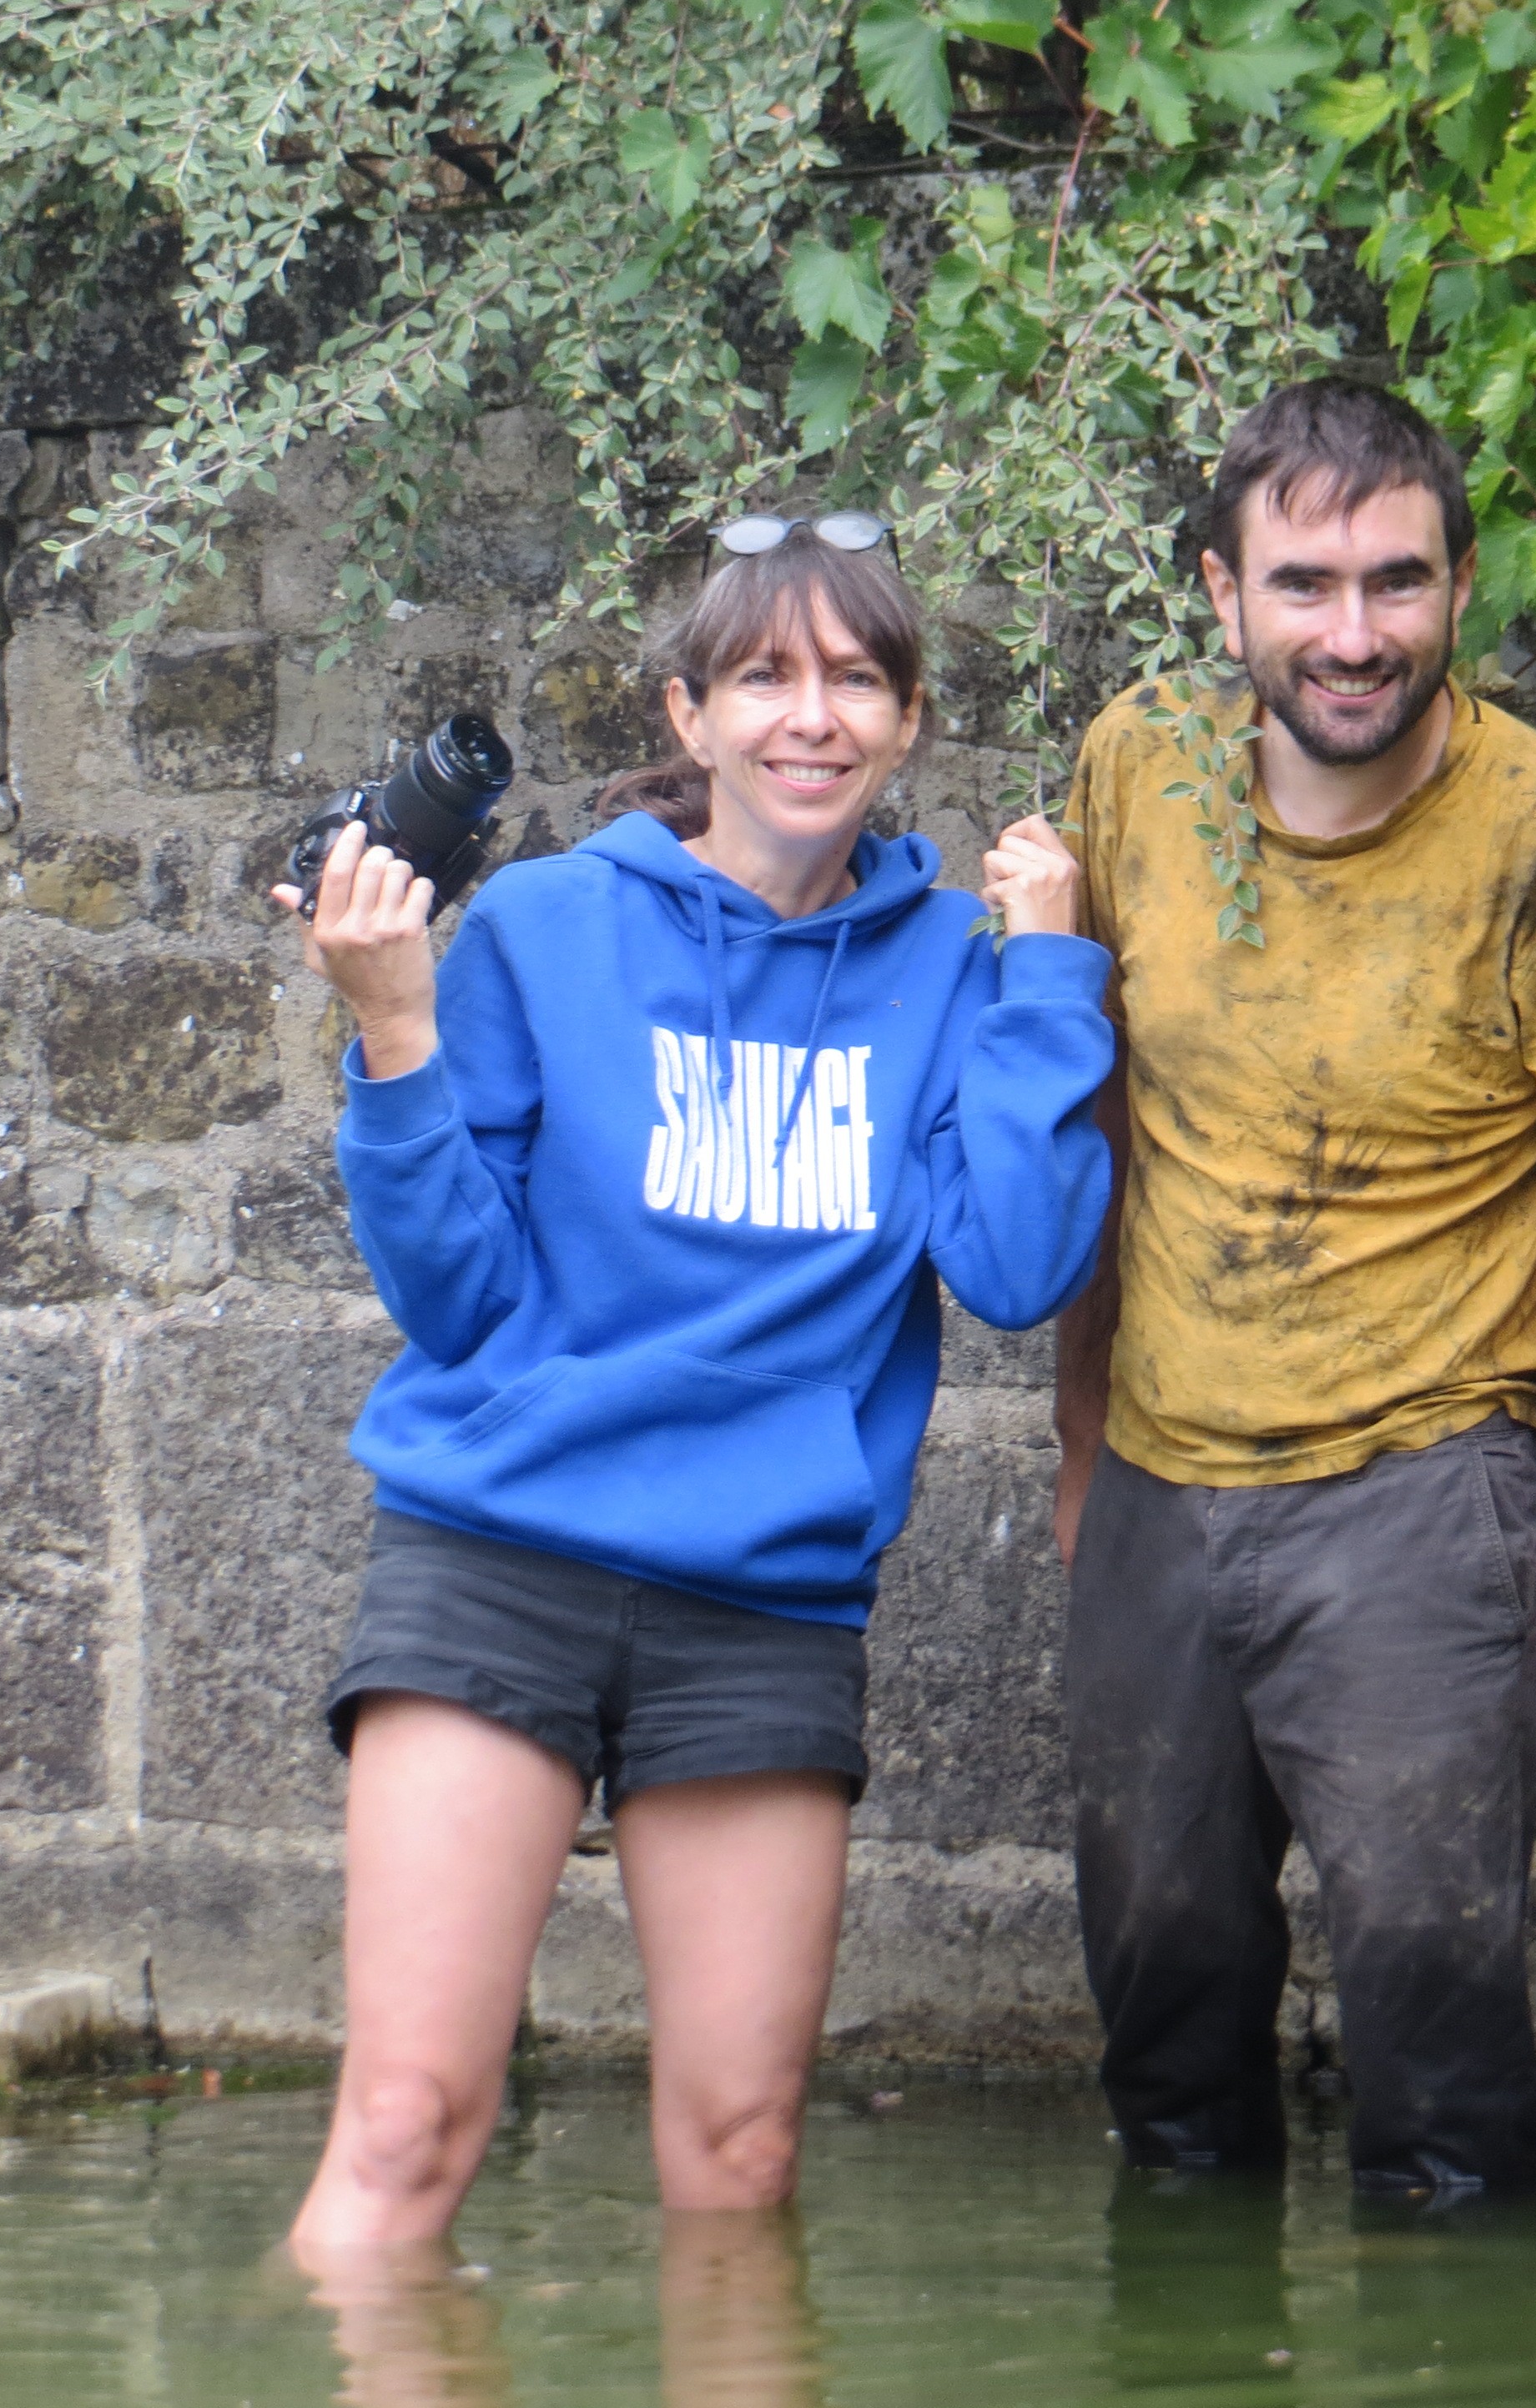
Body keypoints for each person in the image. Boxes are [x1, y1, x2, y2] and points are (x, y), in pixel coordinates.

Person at [278, 514, 1114, 2248]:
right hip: (497, 1560)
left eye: (854, 680)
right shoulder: (538, 930)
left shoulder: (953, 970)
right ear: (690, 709)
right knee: (409, 2122)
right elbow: (453, 1304)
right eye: (764, 677)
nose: (808, 717)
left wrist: (1044, 972)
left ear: (903, 723)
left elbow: (1020, 1270)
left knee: (740, 2157)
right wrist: (391, 1029)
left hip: (762, 1601)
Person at [1052, 380, 1536, 2200]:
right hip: (1162, 1500)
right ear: (1220, 594)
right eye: (1305, 585)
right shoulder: (1136, 769)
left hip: (1424, 1498)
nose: (1352, 636)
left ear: (1459, 587)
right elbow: (1108, 1121)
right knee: (1162, 2041)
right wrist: (1081, 1436)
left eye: (1395, 584)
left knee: (1436, 2069)